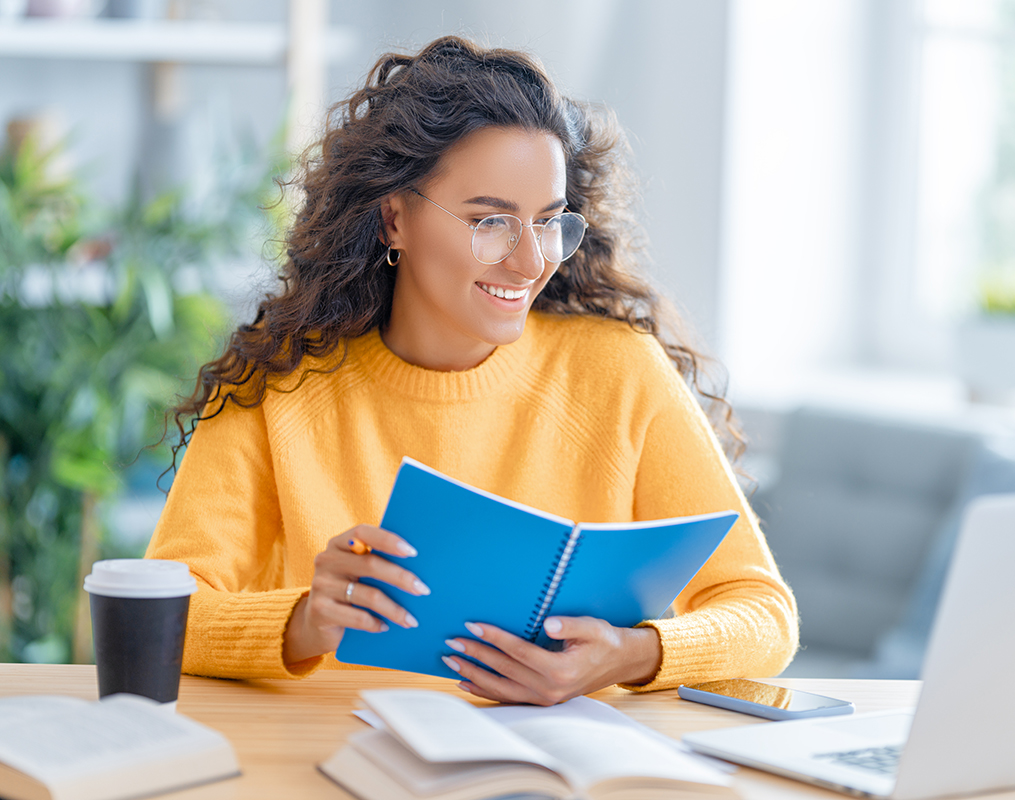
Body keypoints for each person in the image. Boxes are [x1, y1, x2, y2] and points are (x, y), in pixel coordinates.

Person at [146, 35, 797, 705]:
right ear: (394, 219)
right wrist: (307, 619)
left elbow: (762, 613)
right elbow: (162, 607)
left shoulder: (620, 372)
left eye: (548, 222)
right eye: (490, 222)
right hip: (344, 760)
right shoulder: (281, 388)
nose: (530, 261)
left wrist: (631, 655)